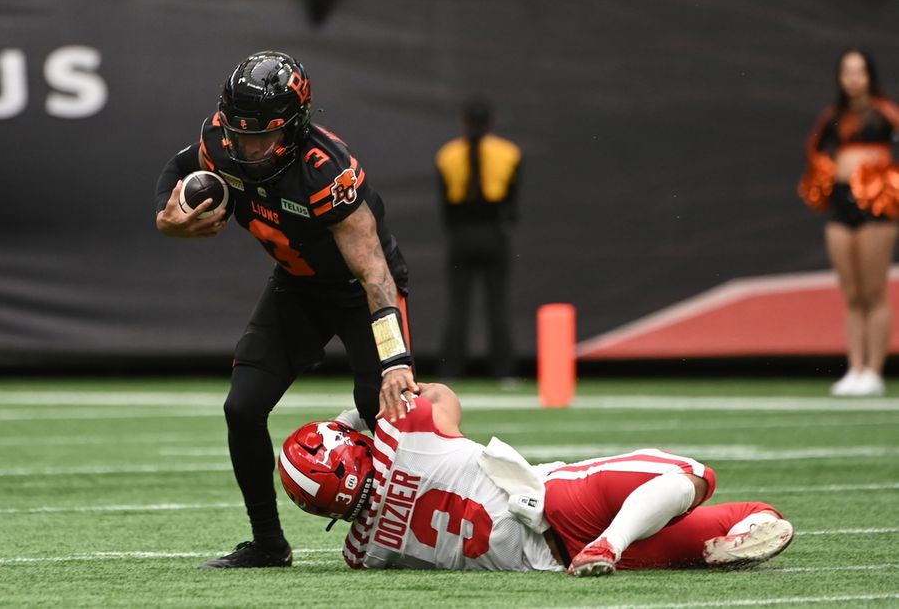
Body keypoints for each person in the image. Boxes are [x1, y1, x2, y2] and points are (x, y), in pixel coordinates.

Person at [154, 51, 418, 568]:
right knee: (242, 408)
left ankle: (420, 531)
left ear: (294, 128)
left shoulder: (326, 171)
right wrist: (168, 219)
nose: (248, 147)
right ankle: (268, 544)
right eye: (240, 132)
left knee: (385, 412)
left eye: (263, 136)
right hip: (296, 288)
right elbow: (178, 168)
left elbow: (375, 276)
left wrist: (395, 360)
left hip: (357, 293)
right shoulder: (219, 140)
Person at [278, 383, 795, 574]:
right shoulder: (403, 433)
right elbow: (440, 396)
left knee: (749, 520)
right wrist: (354, 418)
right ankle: (612, 542)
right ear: (352, 445)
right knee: (694, 474)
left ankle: (621, 543)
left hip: (552, 559)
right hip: (560, 502)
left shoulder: (363, 553)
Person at [798, 49, 899, 397]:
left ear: (870, 75)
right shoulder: (833, 116)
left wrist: (887, 178)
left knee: (874, 290)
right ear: (840, 77)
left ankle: (875, 369)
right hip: (841, 204)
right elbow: (815, 150)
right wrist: (824, 175)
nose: (854, 78)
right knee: (852, 293)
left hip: (877, 203)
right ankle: (855, 367)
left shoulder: (885, 112)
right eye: (847, 71)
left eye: (860, 71)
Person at [435, 97, 522, 381]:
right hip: (494, 234)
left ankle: (451, 371)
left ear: (464, 122)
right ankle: (503, 372)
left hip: (462, 234)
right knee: (497, 305)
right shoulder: (509, 153)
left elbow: (445, 208)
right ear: (491, 122)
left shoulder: (447, 154)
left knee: (458, 306)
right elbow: (512, 206)